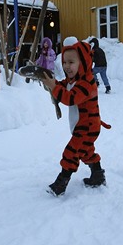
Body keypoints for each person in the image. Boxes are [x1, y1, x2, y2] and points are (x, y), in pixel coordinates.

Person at [42, 36, 110, 196]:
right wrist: (52, 84)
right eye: (64, 62)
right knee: (86, 152)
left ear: (84, 62)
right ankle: (98, 176)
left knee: (71, 152)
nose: (66, 66)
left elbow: (69, 98)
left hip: (87, 126)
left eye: (71, 62)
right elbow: (62, 88)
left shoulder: (87, 83)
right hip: (81, 125)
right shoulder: (72, 80)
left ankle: (60, 184)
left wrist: (55, 88)